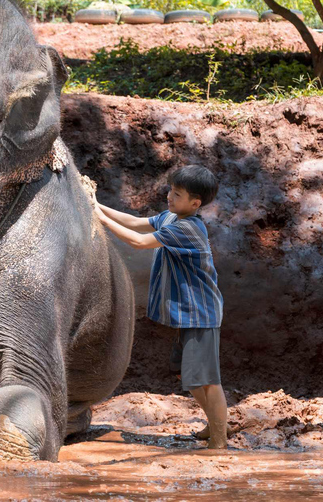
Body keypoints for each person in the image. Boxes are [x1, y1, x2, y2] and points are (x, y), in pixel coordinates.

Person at [93, 165, 228, 449]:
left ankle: (219, 438)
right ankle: (215, 424)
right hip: (189, 313)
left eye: (176, 194)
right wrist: (95, 205)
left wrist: (99, 218)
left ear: (195, 203)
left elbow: (138, 241)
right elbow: (135, 222)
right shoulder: (171, 216)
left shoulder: (187, 228)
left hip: (201, 313)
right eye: (171, 190)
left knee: (205, 379)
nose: (169, 196)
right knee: (188, 376)